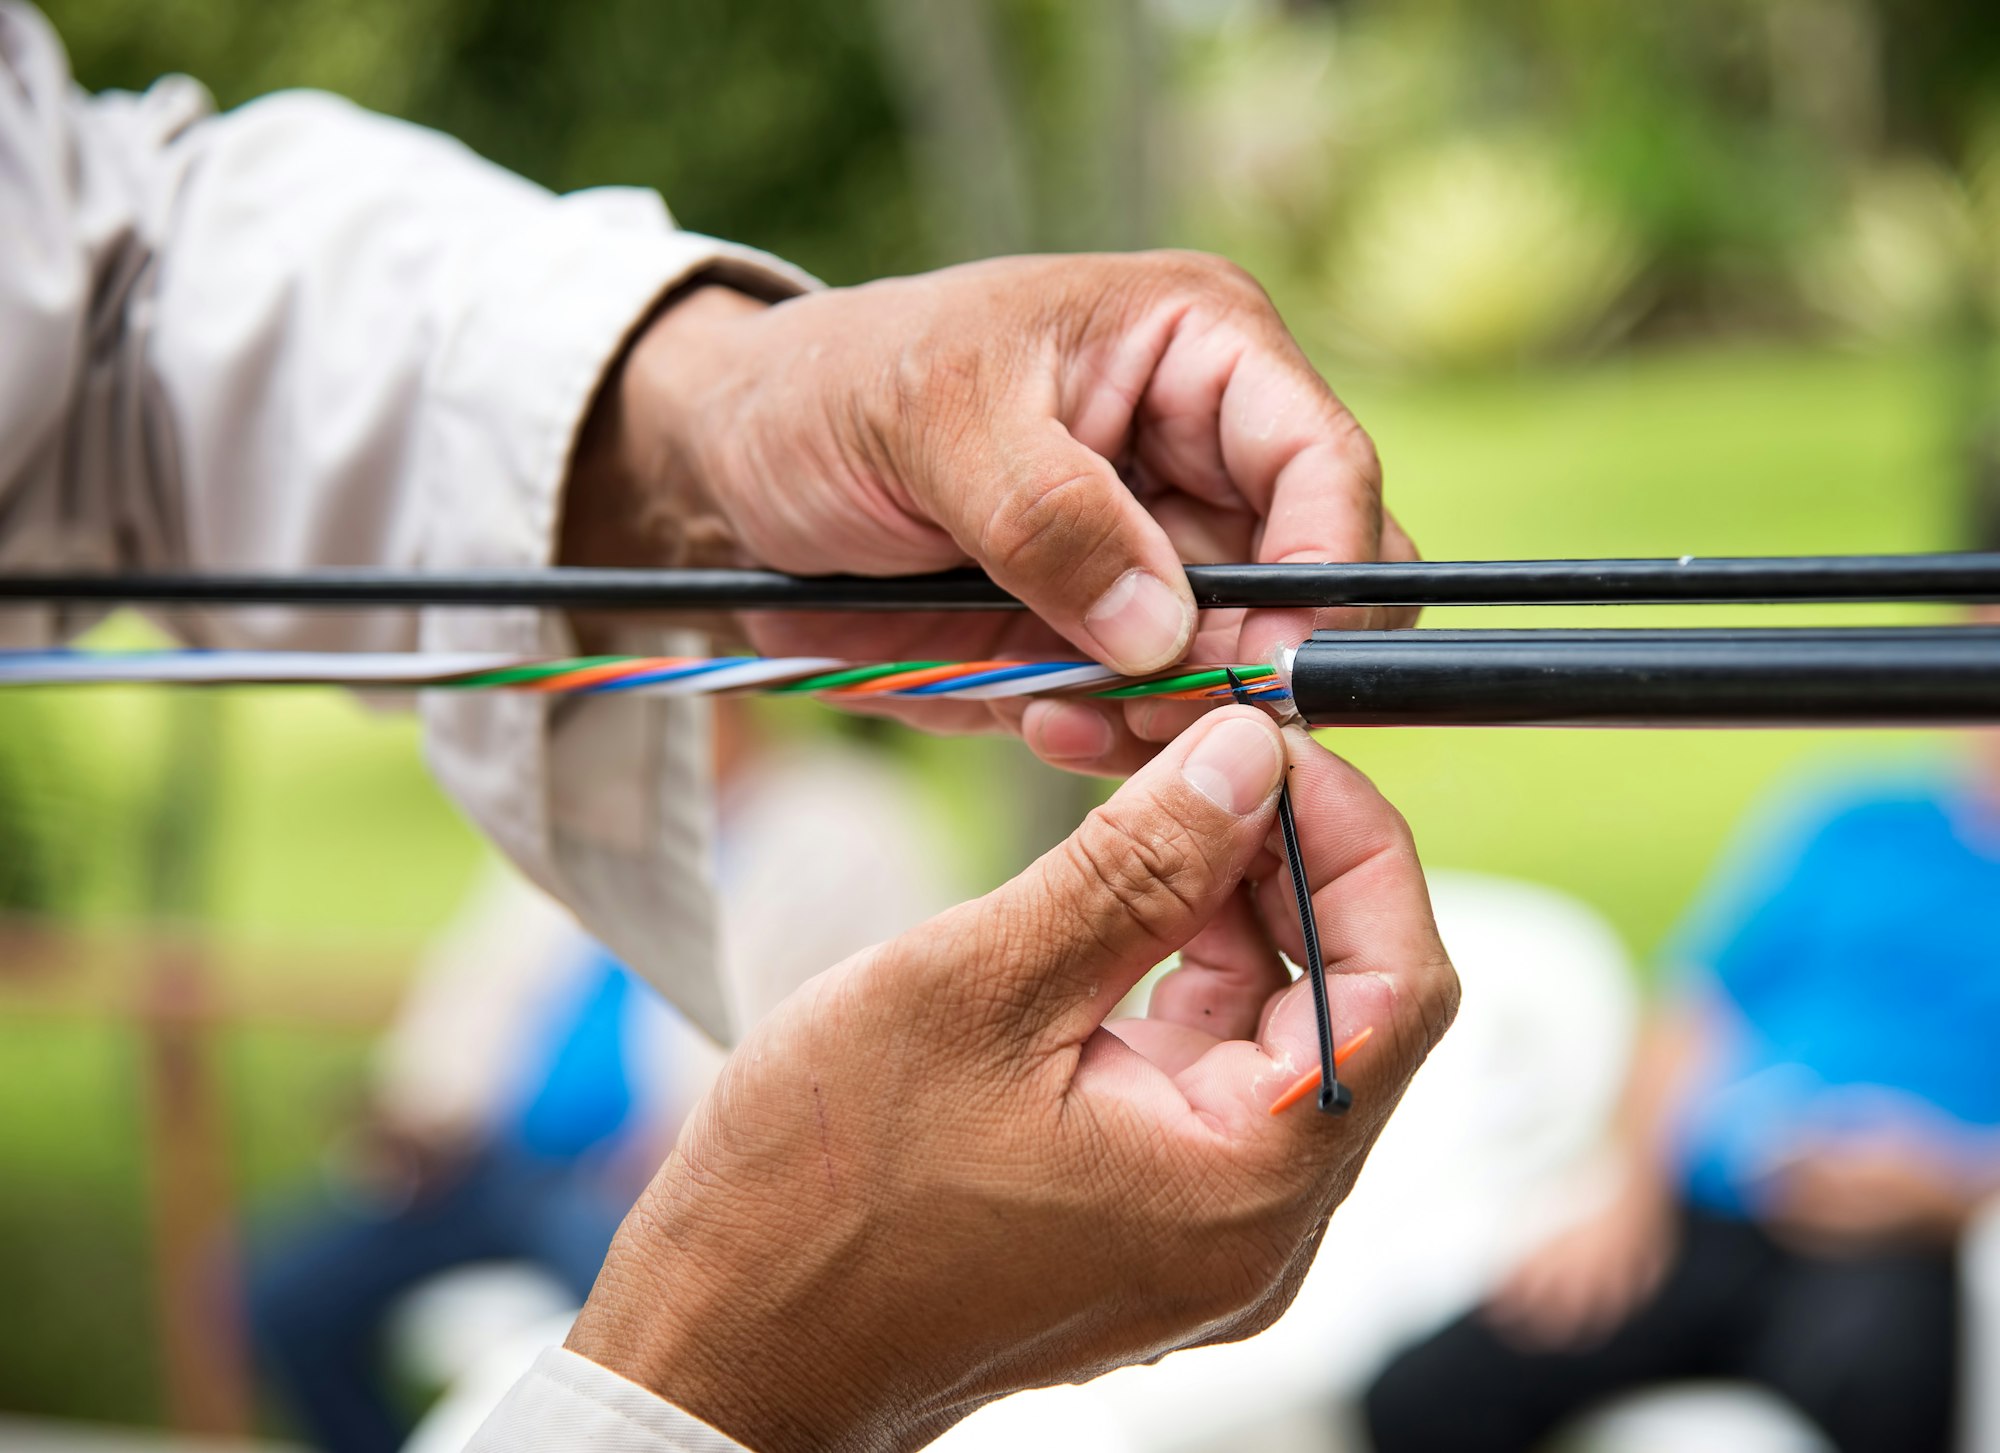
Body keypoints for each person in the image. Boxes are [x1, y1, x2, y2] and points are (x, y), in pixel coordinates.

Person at [3, 5, 1458, 1449]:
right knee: (289, 1292)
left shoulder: (831, 828)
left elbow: (103, 298)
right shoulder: (594, 826)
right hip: (511, 1188)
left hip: (594, 1197)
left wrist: (708, 400)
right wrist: (727, 1371)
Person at [247, 707, 966, 1453]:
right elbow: (478, 991)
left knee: (648, 1364)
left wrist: (709, 1142)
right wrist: (421, 1112)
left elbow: (892, 1033)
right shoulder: (582, 817)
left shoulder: (854, 827)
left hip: (655, 1185)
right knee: (282, 1296)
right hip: (485, 1165)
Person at [1365, 621, 2000, 1453]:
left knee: (1879, 1387)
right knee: (1426, 1394)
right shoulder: (1857, 824)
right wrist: (1628, 1196)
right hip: (1703, 1212)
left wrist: (1956, 1188)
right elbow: (1694, 1013)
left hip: (1904, 1245)